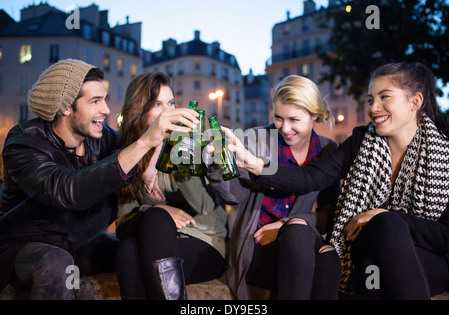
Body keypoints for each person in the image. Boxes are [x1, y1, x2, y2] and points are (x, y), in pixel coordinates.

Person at [228, 62, 449, 299]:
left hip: (426, 257)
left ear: (415, 101)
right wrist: (257, 164)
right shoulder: (360, 141)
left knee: (386, 226)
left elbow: (444, 236)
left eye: (385, 97)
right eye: (371, 99)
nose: (374, 108)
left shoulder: (443, 155)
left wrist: (384, 215)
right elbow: (311, 177)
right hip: (367, 254)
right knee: (369, 266)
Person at [0, 59, 199, 299]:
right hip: (24, 247)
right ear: (66, 107)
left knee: (134, 253)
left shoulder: (104, 139)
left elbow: (134, 172)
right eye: (95, 101)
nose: (106, 110)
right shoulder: (24, 143)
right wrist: (146, 140)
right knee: (57, 264)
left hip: (82, 245)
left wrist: (156, 206)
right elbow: (68, 191)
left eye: (104, 99)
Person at [208, 75, 342, 299]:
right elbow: (235, 196)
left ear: (314, 116)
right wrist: (214, 167)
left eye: (294, 119)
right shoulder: (257, 138)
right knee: (313, 262)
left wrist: (285, 225)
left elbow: (329, 214)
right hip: (256, 244)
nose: (285, 128)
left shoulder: (328, 150)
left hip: (300, 239)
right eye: (279, 118)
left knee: (323, 257)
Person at [114, 71, 227, 300]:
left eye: (171, 103)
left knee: (152, 224)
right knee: (127, 252)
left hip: (203, 239)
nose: (168, 111)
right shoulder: (130, 153)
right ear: (139, 110)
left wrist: (180, 154)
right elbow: (123, 226)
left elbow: (203, 207)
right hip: (155, 243)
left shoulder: (187, 143)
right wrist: (158, 210)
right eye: (157, 104)